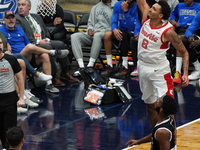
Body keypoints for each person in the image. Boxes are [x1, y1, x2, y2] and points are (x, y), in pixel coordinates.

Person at [135, 0, 189, 129]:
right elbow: (141, 2)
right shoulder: (145, 20)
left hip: (159, 71)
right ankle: (156, 136)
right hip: (142, 67)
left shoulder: (168, 31)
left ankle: (172, 143)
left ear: (160, 16)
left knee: (167, 108)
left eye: (153, 9)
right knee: (149, 105)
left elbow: (184, 51)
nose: (149, 10)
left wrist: (185, 73)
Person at [0, 10, 69, 93]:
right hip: (16, 56)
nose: (11, 20)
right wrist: (8, 51)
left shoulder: (20, 29)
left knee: (44, 56)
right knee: (29, 47)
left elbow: (28, 43)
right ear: (3, 20)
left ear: (15, 19)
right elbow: (4, 46)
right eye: (8, 18)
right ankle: (51, 52)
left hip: (28, 55)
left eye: (12, 18)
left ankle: (49, 84)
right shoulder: (1, 31)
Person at [15, 0, 79, 85]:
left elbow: (45, 30)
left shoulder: (36, 16)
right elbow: (24, 35)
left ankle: (65, 71)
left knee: (60, 44)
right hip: (33, 44)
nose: (20, 7)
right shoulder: (17, 19)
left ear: (29, 7)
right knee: (48, 48)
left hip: (43, 40)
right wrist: (38, 41)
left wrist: (47, 39)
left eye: (23, 5)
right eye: (19, 5)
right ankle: (53, 76)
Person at [70, 0, 117, 70]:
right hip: (94, 34)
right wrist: (89, 29)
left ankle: (90, 66)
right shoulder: (95, 7)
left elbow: (117, 25)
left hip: (108, 36)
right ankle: (81, 67)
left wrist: (101, 31)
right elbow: (90, 23)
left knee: (97, 35)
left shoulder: (116, 6)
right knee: (74, 37)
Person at [101, 0, 141, 79]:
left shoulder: (137, 7)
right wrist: (114, 29)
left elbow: (131, 28)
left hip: (133, 34)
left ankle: (125, 66)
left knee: (124, 35)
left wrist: (125, 12)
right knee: (107, 34)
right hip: (120, 32)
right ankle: (110, 65)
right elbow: (113, 22)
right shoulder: (117, 5)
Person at [0, 37, 25, 149]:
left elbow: (20, 78)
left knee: (9, 128)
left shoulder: (11, 60)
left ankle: (7, 147)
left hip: (9, 98)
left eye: (0, 43)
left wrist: (21, 97)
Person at [170, 0, 200, 83]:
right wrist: (173, 21)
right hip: (182, 29)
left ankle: (179, 71)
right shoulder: (179, 6)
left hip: (196, 31)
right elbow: (172, 14)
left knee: (182, 40)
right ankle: (178, 72)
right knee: (181, 41)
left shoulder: (198, 6)